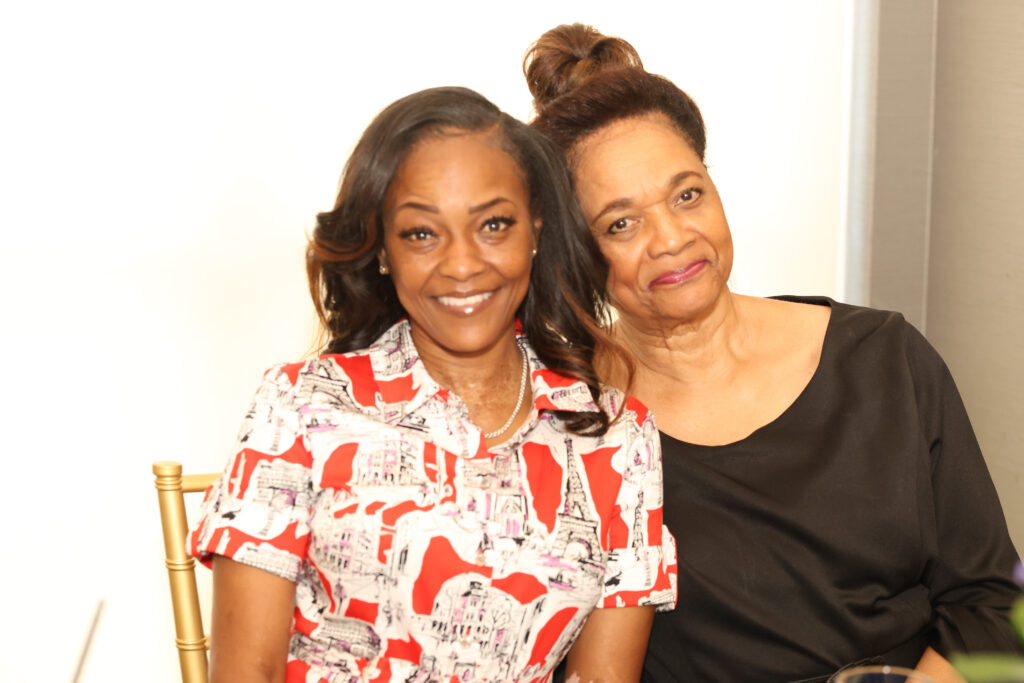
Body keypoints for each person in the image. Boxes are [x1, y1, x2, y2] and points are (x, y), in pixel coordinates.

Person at [522, 23, 1023, 683]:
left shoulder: (885, 360)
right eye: (621, 223)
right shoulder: (573, 423)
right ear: (573, 252)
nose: (671, 238)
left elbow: (993, 602)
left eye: (687, 194)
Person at [188, 86, 675, 683]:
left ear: (535, 231)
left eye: (493, 225)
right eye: (422, 233)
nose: (462, 264)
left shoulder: (618, 437)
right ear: (383, 250)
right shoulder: (300, 406)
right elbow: (246, 672)